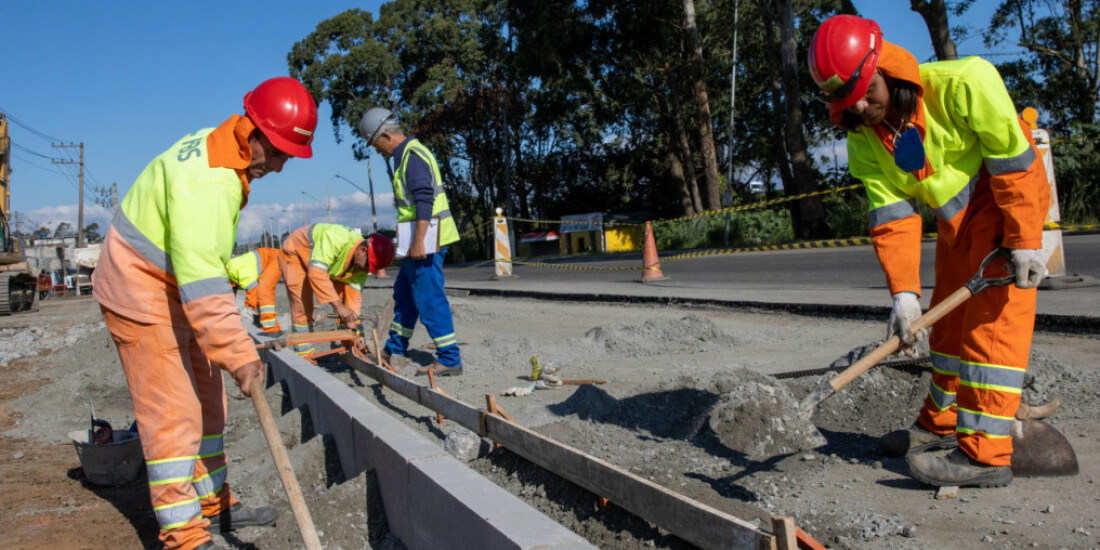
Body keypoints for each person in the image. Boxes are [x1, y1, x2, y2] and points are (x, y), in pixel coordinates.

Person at [807, 15, 1050, 488]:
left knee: (990, 332)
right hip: (955, 226)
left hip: (1002, 207)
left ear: (887, 69)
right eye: (849, 107)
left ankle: (984, 454)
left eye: (867, 95)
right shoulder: (863, 141)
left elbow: (1016, 166)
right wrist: (903, 294)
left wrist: (1024, 241)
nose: (862, 112)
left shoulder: (965, 83)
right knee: (945, 328)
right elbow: (892, 220)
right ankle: (937, 427)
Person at [92, 77, 317, 550]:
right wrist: (239, 353)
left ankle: (214, 507)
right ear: (254, 130)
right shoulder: (208, 180)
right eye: (277, 153)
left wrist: (229, 354)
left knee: (209, 403)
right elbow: (204, 282)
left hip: (173, 285)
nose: (279, 166)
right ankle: (186, 535)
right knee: (175, 415)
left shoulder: (227, 153)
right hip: (139, 291)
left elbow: (204, 268)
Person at [357, 108, 464, 376]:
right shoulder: (403, 156)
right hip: (416, 242)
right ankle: (395, 348)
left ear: (384, 135)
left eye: (375, 144)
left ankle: (450, 358)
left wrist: (418, 241)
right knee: (404, 297)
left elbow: (425, 200)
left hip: (427, 241)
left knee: (429, 298)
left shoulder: (412, 156)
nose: (377, 149)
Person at [279, 223, 394, 356]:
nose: (366, 270)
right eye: (368, 265)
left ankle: (351, 346)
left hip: (326, 264)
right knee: (303, 308)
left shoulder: (362, 265)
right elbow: (316, 273)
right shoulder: (335, 239)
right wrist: (339, 307)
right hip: (296, 253)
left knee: (347, 309)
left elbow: (353, 301)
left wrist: (357, 334)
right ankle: (305, 357)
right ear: (362, 250)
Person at [226, 247, 284, 334]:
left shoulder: (236, 271)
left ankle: (272, 330)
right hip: (267, 257)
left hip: (275, 258)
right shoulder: (230, 271)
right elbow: (232, 293)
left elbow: (253, 289)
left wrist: (248, 308)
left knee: (263, 289)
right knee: (261, 291)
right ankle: (267, 322)